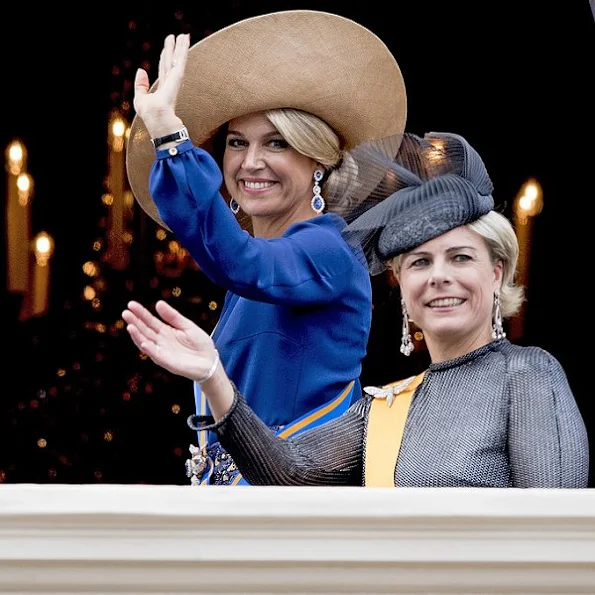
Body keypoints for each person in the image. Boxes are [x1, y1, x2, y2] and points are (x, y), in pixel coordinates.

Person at [123, 129, 590, 488]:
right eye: (419, 263)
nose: (438, 276)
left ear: (496, 273)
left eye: (461, 257)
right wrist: (213, 376)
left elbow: (557, 537)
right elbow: (288, 474)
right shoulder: (382, 409)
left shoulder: (528, 374)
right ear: (402, 288)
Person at [124, 10, 408, 485]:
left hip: (300, 514)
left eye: (276, 143)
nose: (251, 162)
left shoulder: (330, 249)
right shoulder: (247, 279)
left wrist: (169, 135)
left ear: (317, 158)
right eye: (237, 143)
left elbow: (243, 261)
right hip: (238, 513)